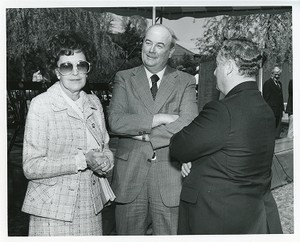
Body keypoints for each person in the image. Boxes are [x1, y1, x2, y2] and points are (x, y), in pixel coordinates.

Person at [170, 39, 282, 234]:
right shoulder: (264, 109)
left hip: (216, 219)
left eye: (217, 66)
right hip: (251, 217)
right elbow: (232, 151)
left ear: (229, 67)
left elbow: (178, 146)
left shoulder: (222, 110)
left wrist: (189, 156)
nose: (214, 72)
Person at [22, 32, 115, 236]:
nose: (75, 72)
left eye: (81, 65)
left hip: (90, 207)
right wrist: (81, 160)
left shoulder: (94, 103)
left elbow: (105, 147)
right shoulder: (42, 105)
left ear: (87, 69)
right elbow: (31, 166)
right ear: (57, 72)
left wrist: (106, 161)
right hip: (52, 211)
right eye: (66, 66)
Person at [108, 24, 198, 235]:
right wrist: (160, 118)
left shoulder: (185, 81)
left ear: (171, 51)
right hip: (130, 177)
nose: (151, 50)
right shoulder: (124, 77)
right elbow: (116, 122)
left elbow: (188, 121)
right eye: (148, 43)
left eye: (159, 45)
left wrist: (145, 135)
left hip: (169, 176)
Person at [263, 66, 284, 138]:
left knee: (277, 130)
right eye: (275, 74)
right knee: (271, 129)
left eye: (279, 74)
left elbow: (281, 97)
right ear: (272, 74)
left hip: (279, 110)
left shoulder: (279, 84)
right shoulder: (268, 83)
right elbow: (266, 98)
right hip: (271, 110)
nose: (277, 76)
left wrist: (282, 109)